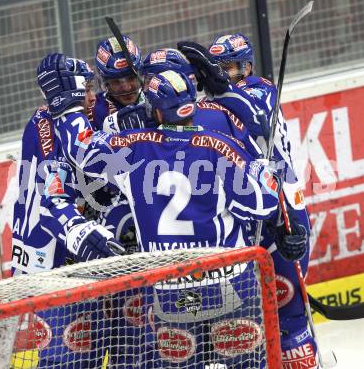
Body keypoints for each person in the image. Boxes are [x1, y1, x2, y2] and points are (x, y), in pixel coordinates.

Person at [36, 47, 280, 366]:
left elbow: (82, 151)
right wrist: (263, 168)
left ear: (154, 109)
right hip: (230, 281)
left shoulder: (135, 149)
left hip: (169, 291)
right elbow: (264, 204)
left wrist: (66, 107)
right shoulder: (223, 148)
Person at [179, 37, 315, 367]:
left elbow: (255, 120)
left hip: (284, 213)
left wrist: (218, 82)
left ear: (247, 67)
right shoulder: (213, 102)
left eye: (226, 68)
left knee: (291, 319)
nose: (220, 75)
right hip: (251, 213)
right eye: (215, 69)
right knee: (250, 325)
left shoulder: (260, 90)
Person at [12, 54, 125, 368]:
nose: (93, 96)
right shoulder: (43, 127)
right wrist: (80, 233)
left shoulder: (90, 115)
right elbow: (53, 200)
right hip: (50, 268)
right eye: (86, 89)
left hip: (87, 266)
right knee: (67, 359)